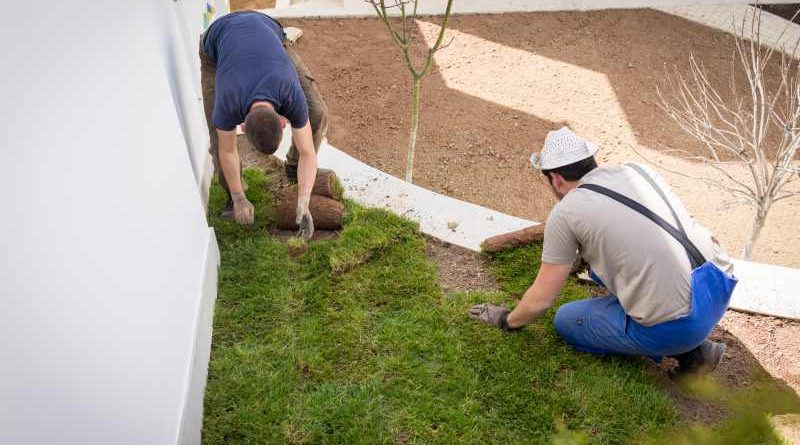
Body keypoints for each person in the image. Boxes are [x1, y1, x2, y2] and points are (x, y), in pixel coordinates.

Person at [469, 127, 738, 376]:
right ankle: (692, 341)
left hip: (679, 326)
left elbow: (541, 302)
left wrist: (506, 320)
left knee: (567, 319)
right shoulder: (637, 171)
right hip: (719, 285)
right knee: (606, 269)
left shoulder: (566, 212)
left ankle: (692, 353)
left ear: (556, 178)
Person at [200, 11, 328, 236]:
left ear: (281, 121)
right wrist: (240, 197)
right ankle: (235, 198)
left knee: (316, 111)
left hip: (267, 30)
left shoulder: (290, 93)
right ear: (241, 127)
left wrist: (304, 201)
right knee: (217, 136)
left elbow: (307, 151)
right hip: (217, 42)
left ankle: (292, 171)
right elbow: (228, 150)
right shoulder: (228, 103)